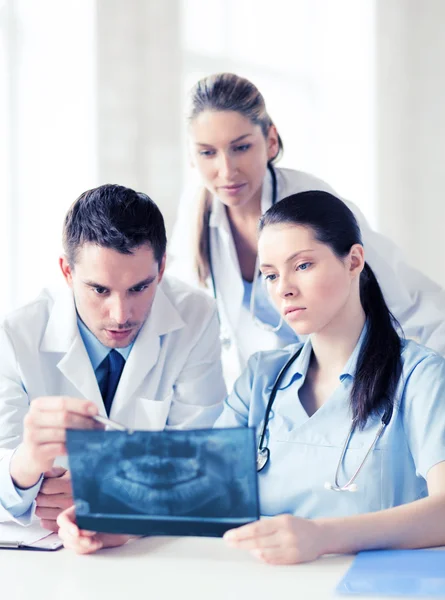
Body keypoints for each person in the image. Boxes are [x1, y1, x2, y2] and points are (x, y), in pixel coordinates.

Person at [57, 191, 445, 562]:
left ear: (353, 261)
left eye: (303, 265)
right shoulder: (262, 378)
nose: (285, 289)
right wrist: (120, 524)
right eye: (271, 275)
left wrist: (323, 538)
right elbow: (202, 490)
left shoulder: (420, 377)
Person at [168, 72, 445, 385]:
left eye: (241, 147)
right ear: (192, 156)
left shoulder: (308, 201)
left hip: (341, 387)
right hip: (263, 398)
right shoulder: (195, 211)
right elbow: (184, 315)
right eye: (207, 152)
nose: (226, 170)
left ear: (270, 141)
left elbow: (409, 303)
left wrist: (425, 388)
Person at [0, 184, 226, 528]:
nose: (121, 315)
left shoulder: (196, 316)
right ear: (67, 272)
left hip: (150, 548)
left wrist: (99, 491)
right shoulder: (16, 335)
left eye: (139, 288)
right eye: (99, 290)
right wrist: (27, 462)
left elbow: (200, 461)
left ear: (161, 268)